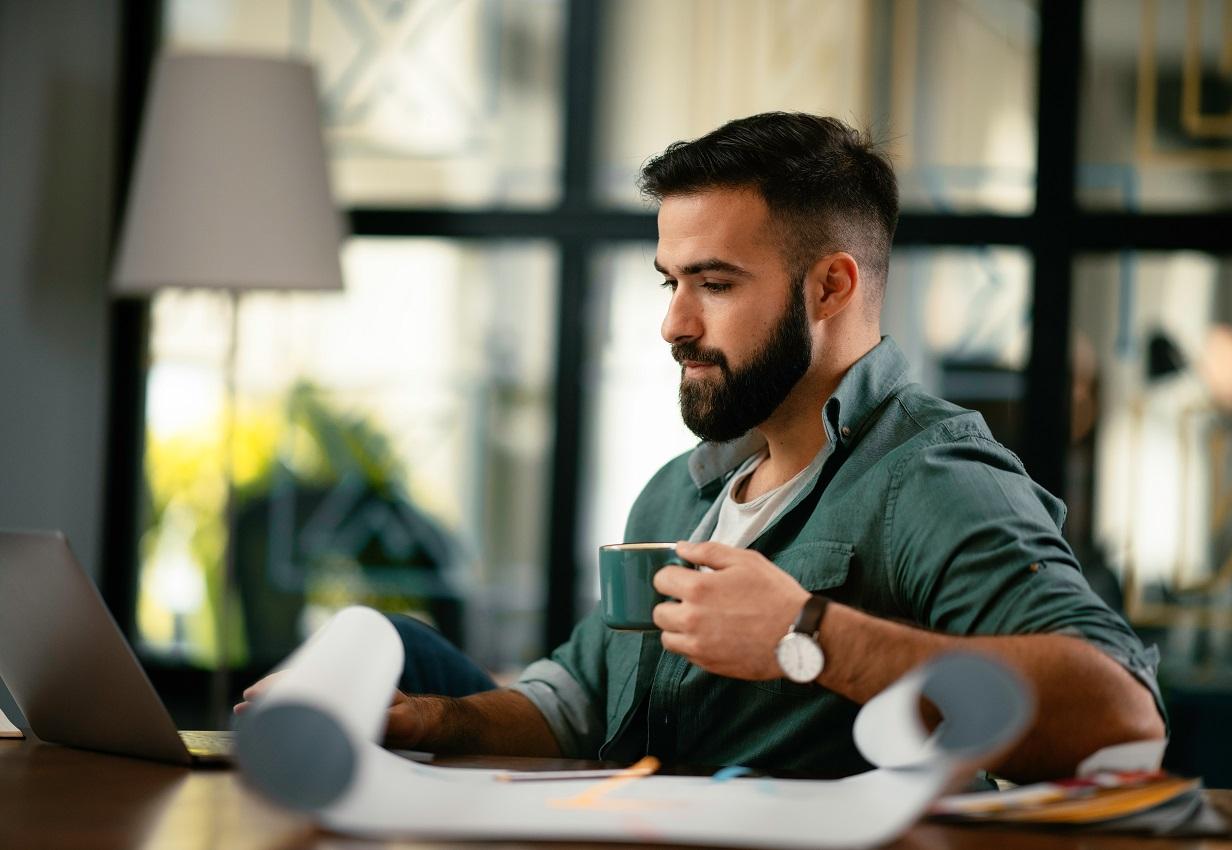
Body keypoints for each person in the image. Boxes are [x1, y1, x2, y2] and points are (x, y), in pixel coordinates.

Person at [239, 112, 1166, 784]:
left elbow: (1123, 720)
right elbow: (579, 706)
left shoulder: (931, 478)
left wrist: (806, 636)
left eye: (714, 283)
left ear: (832, 286)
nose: (673, 324)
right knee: (394, 648)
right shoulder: (677, 496)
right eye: (669, 280)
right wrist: (430, 719)